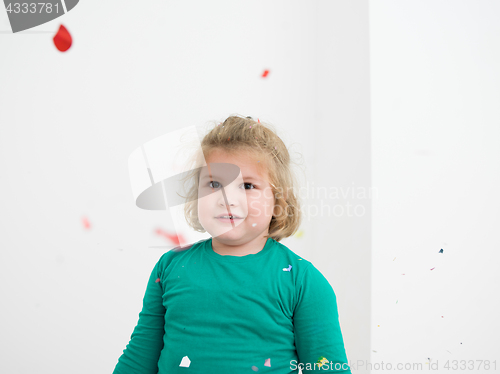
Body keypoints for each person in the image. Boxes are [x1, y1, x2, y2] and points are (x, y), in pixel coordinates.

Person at [112, 115, 351, 373]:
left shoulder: (304, 282)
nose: (227, 198)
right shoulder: (169, 267)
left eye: (248, 185)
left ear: (278, 200)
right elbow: (138, 359)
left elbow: (328, 368)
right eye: (214, 183)